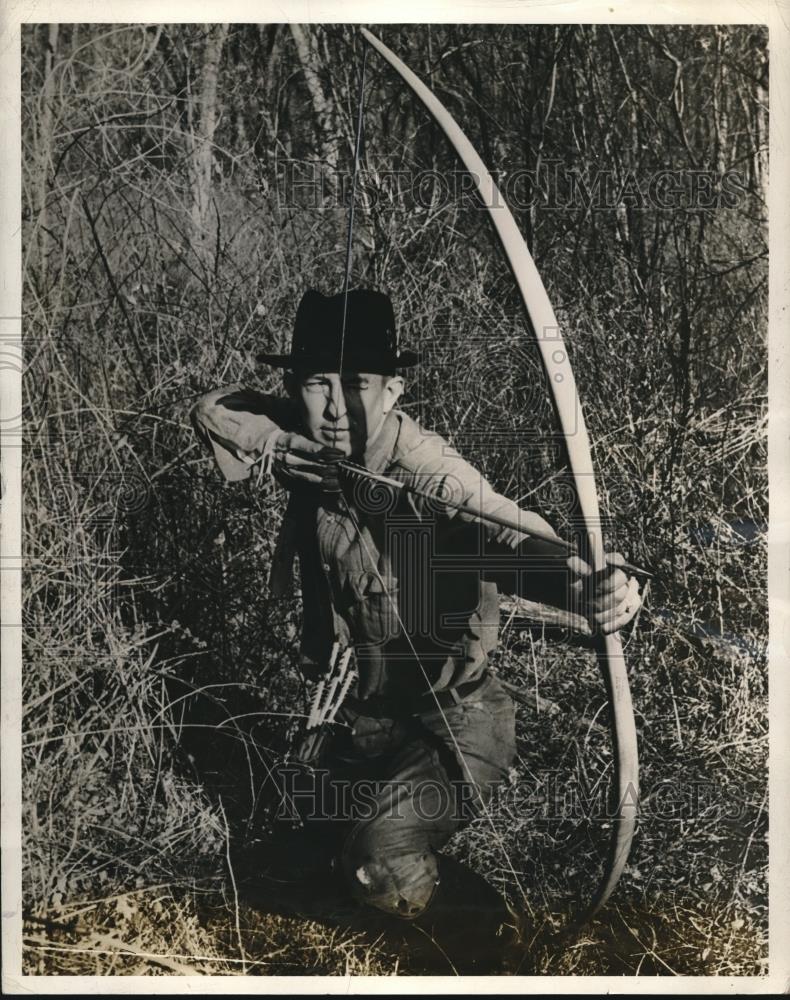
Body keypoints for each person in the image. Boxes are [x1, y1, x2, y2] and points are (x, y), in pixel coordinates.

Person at [191, 287, 641, 973]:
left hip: (456, 723)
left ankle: (500, 953)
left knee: (378, 864)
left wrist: (590, 587)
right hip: (363, 724)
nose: (337, 407)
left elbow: (512, 538)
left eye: (358, 384)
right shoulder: (308, 443)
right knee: (290, 859)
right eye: (317, 384)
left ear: (394, 389)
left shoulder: (431, 477)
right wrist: (281, 445)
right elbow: (215, 411)